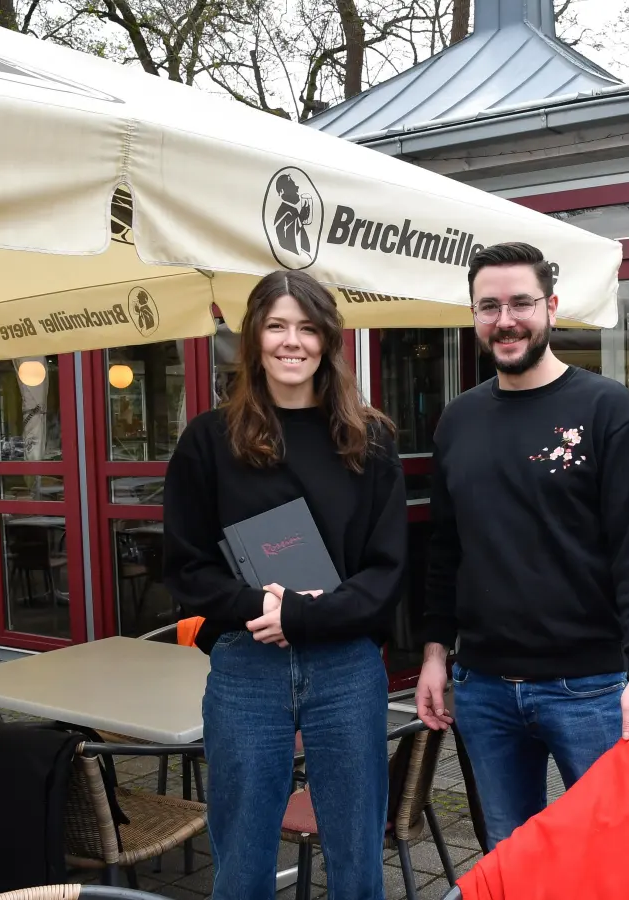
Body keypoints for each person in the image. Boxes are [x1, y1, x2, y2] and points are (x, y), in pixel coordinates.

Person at [415, 241, 629, 850]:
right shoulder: (458, 420)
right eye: (489, 306)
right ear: (474, 315)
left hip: (590, 688)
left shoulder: (607, 409)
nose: (505, 320)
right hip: (483, 688)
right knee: (510, 858)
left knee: (611, 857)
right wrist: (433, 653)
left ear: (551, 308)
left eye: (521, 303)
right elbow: (445, 550)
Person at [163, 270, 406, 899]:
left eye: (306, 328)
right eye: (276, 326)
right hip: (247, 666)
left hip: (346, 666)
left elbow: (386, 570)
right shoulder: (208, 441)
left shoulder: (371, 439)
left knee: (357, 856)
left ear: (327, 340)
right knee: (242, 858)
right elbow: (187, 566)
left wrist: (303, 617)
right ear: (254, 337)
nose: (291, 341)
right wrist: (260, 607)